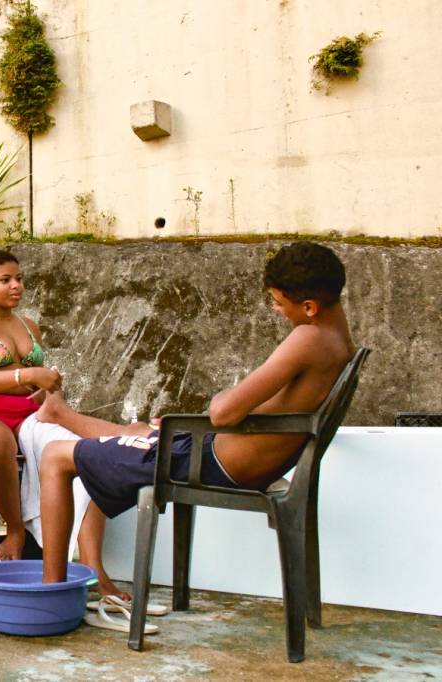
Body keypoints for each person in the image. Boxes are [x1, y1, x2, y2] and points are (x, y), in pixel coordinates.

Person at [39, 242, 356, 592]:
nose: (276, 309)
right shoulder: (341, 344)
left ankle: (51, 590)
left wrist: (219, 403)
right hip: (218, 452)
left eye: (279, 303)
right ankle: (60, 412)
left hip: (211, 461)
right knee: (143, 431)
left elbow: (224, 412)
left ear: (309, 307)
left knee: (56, 455)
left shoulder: (308, 338)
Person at [0, 250, 135, 597]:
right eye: (5, 280)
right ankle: (15, 529)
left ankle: (93, 569)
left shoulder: (29, 326)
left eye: (19, 278)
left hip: (28, 415)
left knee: (84, 455)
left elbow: (36, 383)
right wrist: (29, 372)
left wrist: (45, 386)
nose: (16, 285)